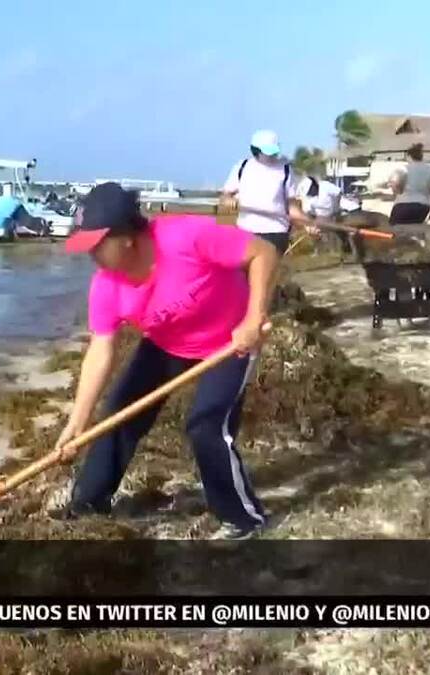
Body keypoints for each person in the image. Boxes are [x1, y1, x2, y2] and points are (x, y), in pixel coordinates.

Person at [53, 182, 280, 540]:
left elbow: (263, 252)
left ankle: (244, 518)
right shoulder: (106, 285)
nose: (90, 254)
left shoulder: (186, 237)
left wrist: (253, 318)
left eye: (96, 245)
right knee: (118, 416)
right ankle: (88, 505)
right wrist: (78, 422)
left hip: (229, 342)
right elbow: (101, 350)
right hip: (166, 344)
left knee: (206, 427)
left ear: (126, 238)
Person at [220, 130, 311, 254]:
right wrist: (229, 202)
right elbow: (225, 197)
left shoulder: (285, 170)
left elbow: (292, 208)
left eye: (274, 151)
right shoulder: (242, 167)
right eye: (267, 152)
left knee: (266, 272)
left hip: (276, 232)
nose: (271, 155)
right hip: (247, 231)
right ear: (256, 150)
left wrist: (307, 224)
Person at [388, 143, 430, 225]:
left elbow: (395, 183)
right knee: (415, 231)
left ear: (408, 156)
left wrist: (397, 192)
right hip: (423, 206)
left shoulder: (403, 168)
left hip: (403, 204)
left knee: (394, 231)